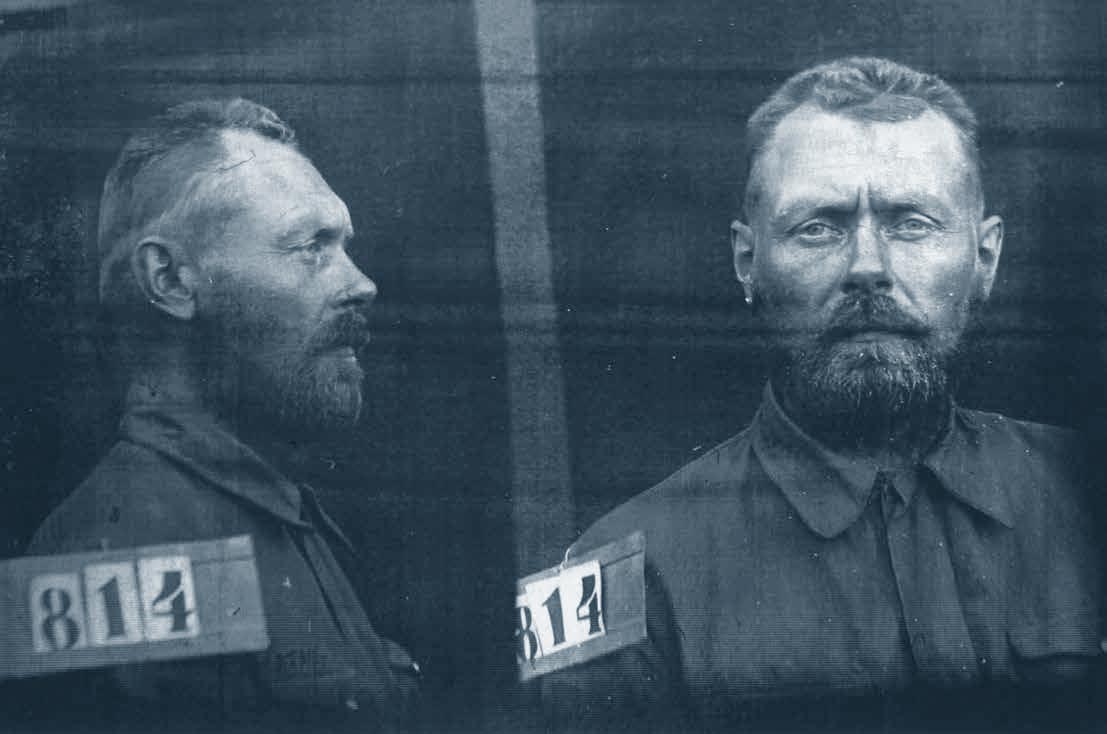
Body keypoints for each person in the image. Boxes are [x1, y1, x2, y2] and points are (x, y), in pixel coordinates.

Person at [541, 57, 1103, 732]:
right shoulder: (608, 579)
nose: (867, 266)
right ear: (747, 261)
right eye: (818, 226)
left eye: (911, 222)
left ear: (984, 257)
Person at [18, 99, 419, 732]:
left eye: (344, 246)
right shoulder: (122, 555)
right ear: (171, 279)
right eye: (310, 247)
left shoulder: (279, 517)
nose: (361, 284)